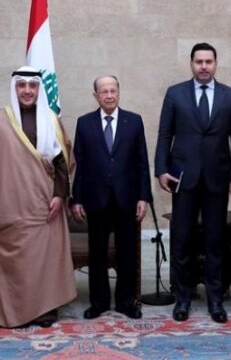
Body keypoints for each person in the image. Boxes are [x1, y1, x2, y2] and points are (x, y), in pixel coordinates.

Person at [0, 66, 76, 328]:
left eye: (33, 86)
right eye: (22, 86)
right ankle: (14, 310)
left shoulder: (51, 119)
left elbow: (63, 161)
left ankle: (44, 309)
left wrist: (60, 195)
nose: (27, 91)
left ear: (39, 89)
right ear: (15, 88)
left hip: (43, 202)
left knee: (42, 258)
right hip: (8, 203)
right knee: (15, 259)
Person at [155, 42, 231, 323]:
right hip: (183, 179)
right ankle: (183, 298)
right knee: (182, 240)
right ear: (191, 64)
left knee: (215, 241)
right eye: (199, 62)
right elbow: (164, 135)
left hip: (217, 179)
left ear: (216, 64)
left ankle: (215, 299)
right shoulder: (175, 94)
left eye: (208, 62)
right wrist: (161, 170)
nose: (204, 66)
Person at [72, 75, 152, 320]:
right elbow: (80, 164)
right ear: (95, 96)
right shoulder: (84, 123)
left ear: (119, 92)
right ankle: (99, 302)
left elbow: (142, 162)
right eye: (104, 91)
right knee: (97, 253)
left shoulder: (134, 121)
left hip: (127, 198)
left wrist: (143, 197)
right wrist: (77, 198)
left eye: (113, 90)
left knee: (127, 252)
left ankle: (126, 302)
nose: (109, 95)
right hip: (96, 199)